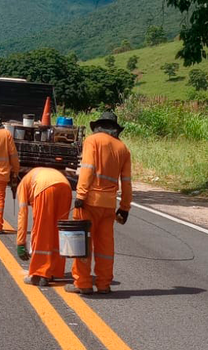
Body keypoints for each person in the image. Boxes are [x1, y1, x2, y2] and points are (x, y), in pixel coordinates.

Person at [65, 111, 133, 295]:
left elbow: (88, 168)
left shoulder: (92, 141)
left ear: (98, 127)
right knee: (105, 247)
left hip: (89, 202)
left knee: (82, 243)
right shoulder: (123, 149)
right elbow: (126, 182)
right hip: (109, 205)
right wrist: (125, 208)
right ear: (115, 130)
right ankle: (103, 284)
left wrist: (80, 195)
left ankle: (83, 283)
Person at [15, 167, 72, 286]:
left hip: (45, 188)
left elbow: (23, 214)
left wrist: (20, 243)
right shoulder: (33, 176)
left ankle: (39, 273)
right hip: (65, 186)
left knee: (41, 231)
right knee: (59, 229)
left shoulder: (22, 186)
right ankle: (54, 271)